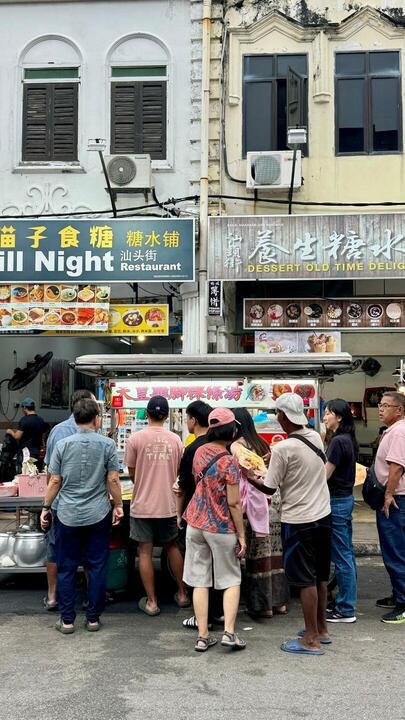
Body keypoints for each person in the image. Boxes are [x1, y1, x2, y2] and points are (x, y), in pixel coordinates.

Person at [249, 393, 331, 656]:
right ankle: (321, 629)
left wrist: (247, 476)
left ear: (283, 416)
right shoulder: (315, 437)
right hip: (323, 516)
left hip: (298, 520)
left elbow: (269, 488)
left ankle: (310, 639)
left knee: (305, 579)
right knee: (319, 576)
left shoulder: (283, 448)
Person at [40, 398, 123, 634]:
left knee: (66, 567)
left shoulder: (62, 445)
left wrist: (46, 507)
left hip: (67, 514)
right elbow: (113, 479)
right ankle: (93, 619)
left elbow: (55, 480)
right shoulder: (107, 445)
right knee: (97, 566)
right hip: (98, 514)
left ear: (75, 419)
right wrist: (118, 505)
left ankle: (67, 621)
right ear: (97, 419)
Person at [183, 407, 246, 652]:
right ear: (231, 430)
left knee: (200, 580)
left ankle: (202, 636)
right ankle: (229, 633)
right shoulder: (230, 461)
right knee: (230, 579)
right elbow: (234, 502)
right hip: (220, 526)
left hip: (195, 523)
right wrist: (241, 535)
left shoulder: (199, 452)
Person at [124, 395, 189, 616]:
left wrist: (142, 482)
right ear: (167, 415)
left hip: (142, 504)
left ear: (147, 414)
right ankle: (182, 594)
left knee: (144, 551)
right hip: (168, 504)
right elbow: (179, 472)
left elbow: (132, 472)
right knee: (172, 547)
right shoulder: (176, 440)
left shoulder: (135, 439)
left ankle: (152, 602)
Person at [42, 388, 96, 611]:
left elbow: (51, 474)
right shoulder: (96, 434)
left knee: (57, 551)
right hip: (92, 505)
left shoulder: (57, 432)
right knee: (90, 552)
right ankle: (90, 598)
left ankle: (54, 597)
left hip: (61, 503)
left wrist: (48, 503)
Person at [232, 407, 289, 619]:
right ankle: (279, 603)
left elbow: (242, 476)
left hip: (255, 506)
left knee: (256, 558)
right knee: (274, 556)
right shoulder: (261, 443)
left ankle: (263, 606)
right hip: (272, 503)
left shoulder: (237, 447)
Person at [174, 400, 224, 630]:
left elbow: (183, 486)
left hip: (197, 515)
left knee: (198, 568)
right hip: (220, 515)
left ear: (193, 420)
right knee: (218, 566)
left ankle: (202, 617)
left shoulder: (193, 449)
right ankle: (219, 612)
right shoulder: (220, 445)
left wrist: (178, 514)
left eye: (187, 419)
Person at [323, 399, 358, 623]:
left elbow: (325, 475)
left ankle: (346, 608)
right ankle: (345, 601)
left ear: (339, 417)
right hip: (345, 499)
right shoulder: (348, 439)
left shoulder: (338, 442)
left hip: (336, 501)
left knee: (342, 556)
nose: (325, 417)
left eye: (328, 413)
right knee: (347, 554)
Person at [374, 391, 405, 624]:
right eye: (380, 405)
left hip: (395, 501)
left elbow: (396, 468)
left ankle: (403, 603)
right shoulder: (393, 430)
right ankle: (398, 595)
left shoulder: (399, 431)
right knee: (393, 550)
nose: (381, 409)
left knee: (395, 552)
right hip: (395, 499)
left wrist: (388, 495)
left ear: (399, 410)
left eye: (386, 405)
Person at [7, 398, 47, 470]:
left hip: (26, 453)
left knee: (24, 475)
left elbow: (17, 436)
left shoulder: (24, 420)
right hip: (36, 452)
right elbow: (41, 436)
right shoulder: (41, 420)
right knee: (34, 474)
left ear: (25, 408)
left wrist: (10, 431)